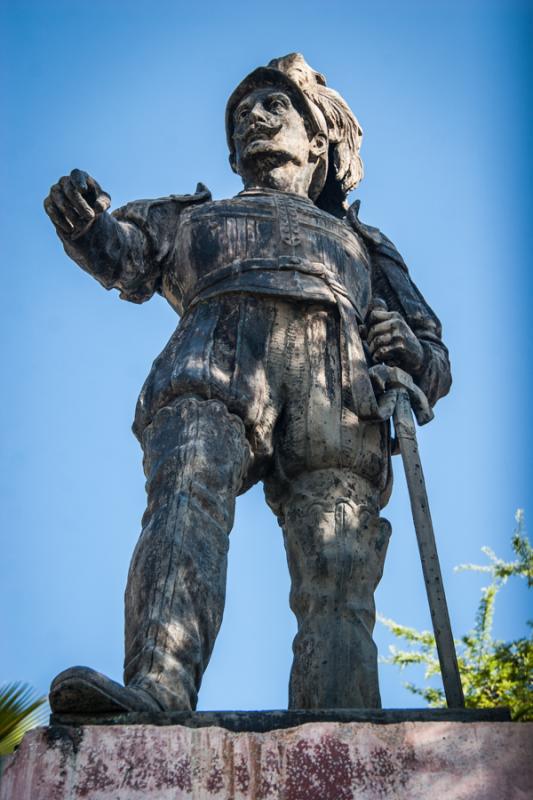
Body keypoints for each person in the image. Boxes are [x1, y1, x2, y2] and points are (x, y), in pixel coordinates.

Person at [44, 53, 451, 714]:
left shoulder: (361, 243)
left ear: (317, 139)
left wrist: (410, 353)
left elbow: (428, 349)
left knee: (339, 563)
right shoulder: (188, 218)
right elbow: (122, 254)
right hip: (213, 365)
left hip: (336, 393)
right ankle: (159, 687)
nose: (252, 119)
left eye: (272, 107)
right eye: (240, 114)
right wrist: (86, 224)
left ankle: (341, 716)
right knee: (184, 502)